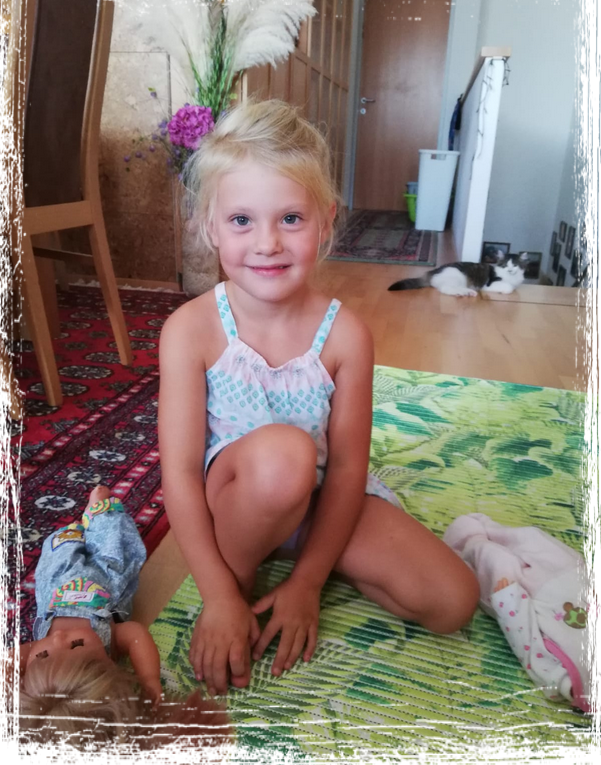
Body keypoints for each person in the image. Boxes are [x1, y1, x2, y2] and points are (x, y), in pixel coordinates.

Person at [158, 99, 480, 699]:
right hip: (236, 500)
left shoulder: (346, 335)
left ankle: (300, 567)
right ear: (210, 226)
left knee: (452, 600)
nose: (267, 243)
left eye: (290, 219)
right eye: (242, 220)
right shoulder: (190, 330)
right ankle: (239, 579)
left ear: (326, 222)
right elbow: (177, 473)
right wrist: (219, 593)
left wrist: (309, 580)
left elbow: (349, 469)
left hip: (316, 500)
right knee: (286, 457)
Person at [0, 486, 231, 765]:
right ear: (109, 662)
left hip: (59, 581)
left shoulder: (36, 663)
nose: (58, 639)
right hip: (104, 577)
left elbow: (6, 663)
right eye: (77, 644)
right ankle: (98, 508)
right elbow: (136, 635)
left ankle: (75, 532)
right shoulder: (108, 638)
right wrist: (148, 678)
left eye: (43, 655)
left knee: (57, 550)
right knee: (112, 540)